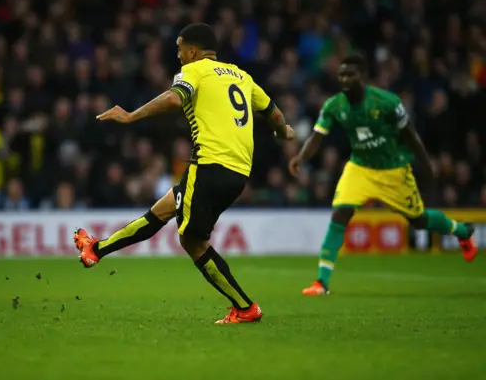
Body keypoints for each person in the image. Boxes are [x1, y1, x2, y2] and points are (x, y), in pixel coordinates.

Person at [73, 23, 295, 324]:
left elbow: (174, 98)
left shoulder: (194, 70)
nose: (178, 55)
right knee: (162, 209)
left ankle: (245, 307)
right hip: (239, 173)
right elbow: (276, 115)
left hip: (209, 165)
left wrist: (130, 115)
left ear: (193, 51)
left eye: (179, 49)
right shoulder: (242, 76)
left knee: (192, 242)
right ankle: (95, 251)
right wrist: (284, 132)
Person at [289, 54, 477, 296]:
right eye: (342, 75)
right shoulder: (334, 105)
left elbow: (410, 135)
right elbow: (317, 136)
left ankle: (463, 232)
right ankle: (321, 283)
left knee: (418, 220)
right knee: (340, 212)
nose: (345, 79)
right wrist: (301, 158)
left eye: (350, 74)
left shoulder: (387, 102)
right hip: (360, 168)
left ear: (363, 76)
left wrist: (427, 165)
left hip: (393, 170)